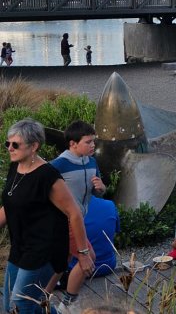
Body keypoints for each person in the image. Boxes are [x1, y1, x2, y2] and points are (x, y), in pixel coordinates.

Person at [0, 119, 94, 314]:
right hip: (21, 247)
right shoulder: (15, 168)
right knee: (10, 302)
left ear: (34, 146)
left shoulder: (48, 176)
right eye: (7, 143)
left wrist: (84, 254)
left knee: (20, 305)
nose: (10, 148)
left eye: (15, 144)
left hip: (45, 249)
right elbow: (10, 204)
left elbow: (74, 213)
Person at [49, 120, 107, 311]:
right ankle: (67, 304)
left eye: (93, 142)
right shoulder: (57, 165)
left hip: (79, 219)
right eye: (88, 142)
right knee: (88, 257)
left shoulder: (92, 162)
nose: (93, 146)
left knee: (62, 260)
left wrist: (101, 188)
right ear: (73, 144)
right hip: (64, 220)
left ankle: (41, 298)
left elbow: (98, 191)